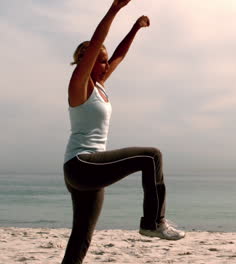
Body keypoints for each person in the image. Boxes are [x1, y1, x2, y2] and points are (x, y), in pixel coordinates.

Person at [63, 1, 184, 263]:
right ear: (88, 61)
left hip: (86, 170)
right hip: (81, 164)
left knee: (82, 235)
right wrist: (115, 9)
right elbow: (98, 41)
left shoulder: (100, 87)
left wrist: (134, 29)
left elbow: (119, 55)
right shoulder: (79, 84)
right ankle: (153, 222)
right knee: (151, 156)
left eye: (106, 63)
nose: (106, 66)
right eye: (101, 61)